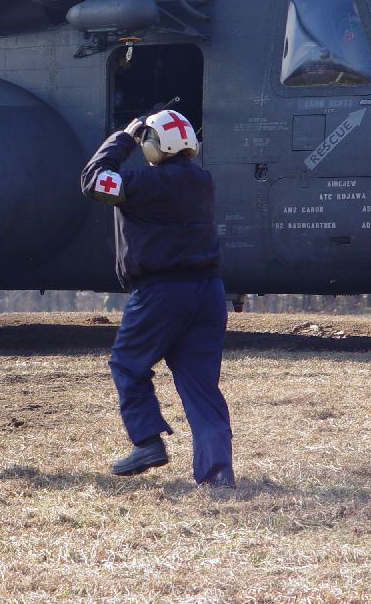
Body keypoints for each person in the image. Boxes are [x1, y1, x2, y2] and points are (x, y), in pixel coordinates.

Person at [81, 109, 234, 487]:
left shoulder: (143, 185)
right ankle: (217, 472)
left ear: (155, 145)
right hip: (208, 292)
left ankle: (147, 442)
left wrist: (123, 138)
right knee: (201, 386)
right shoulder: (204, 181)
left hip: (161, 293)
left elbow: (93, 180)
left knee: (128, 364)